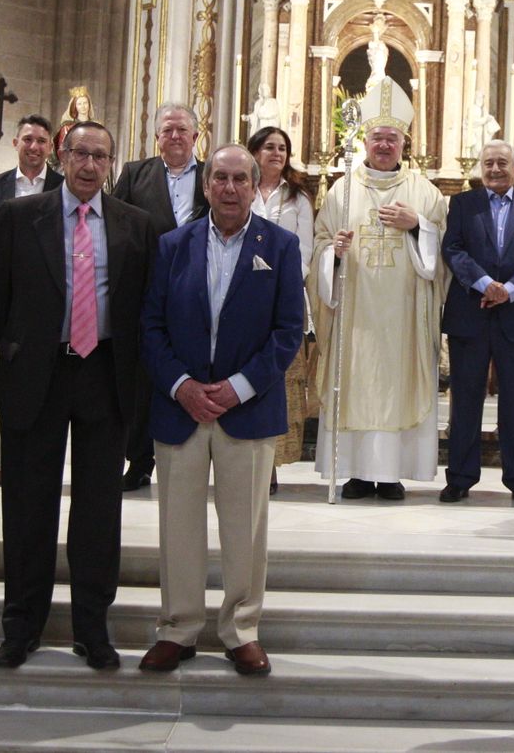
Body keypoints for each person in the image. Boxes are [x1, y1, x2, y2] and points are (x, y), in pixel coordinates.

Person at [0, 120, 154, 672]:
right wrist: (15, 347)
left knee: (99, 511)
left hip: (104, 374)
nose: (88, 165)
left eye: (100, 157)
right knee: (29, 503)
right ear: (62, 155)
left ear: (111, 164)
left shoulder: (135, 225)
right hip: (39, 373)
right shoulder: (16, 216)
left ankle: (92, 629)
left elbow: (143, 305)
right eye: (80, 153)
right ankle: (21, 626)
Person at [138, 145, 304, 677]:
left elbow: (287, 332)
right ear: (205, 185)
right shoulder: (172, 245)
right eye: (219, 178)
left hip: (246, 410)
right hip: (180, 407)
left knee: (245, 529)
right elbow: (151, 326)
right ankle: (178, 627)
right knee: (177, 525)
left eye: (240, 179)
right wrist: (183, 385)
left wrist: (237, 388)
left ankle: (241, 629)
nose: (229, 188)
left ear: (256, 186)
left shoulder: (280, 245)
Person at [312, 112, 447, 500]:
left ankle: (391, 473)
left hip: (404, 316)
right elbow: (321, 242)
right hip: (355, 315)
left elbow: (441, 254)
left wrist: (419, 223)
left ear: (405, 144)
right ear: (365, 143)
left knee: (396, 383)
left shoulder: (424, 192)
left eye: (392, 138)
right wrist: (332, 253)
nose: (385, 145)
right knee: (355, 380)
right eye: (377, 138)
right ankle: (355, 471)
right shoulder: (342, 191)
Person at [439, 141, 514, 506]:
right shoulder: (462, 204)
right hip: (470, 315)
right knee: (465, 401)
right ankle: (459, 477)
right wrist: (486, 284)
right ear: (480, 168)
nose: (495, 169)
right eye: (488, 163)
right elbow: (452, 249)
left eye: (502, 162)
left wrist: (511, 290)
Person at [112, 102, 208, 491]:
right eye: (167, 130)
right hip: (146, 290)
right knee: (142, 379)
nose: (174, 136)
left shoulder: (212, 175)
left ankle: (196, 457)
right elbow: (115, 224)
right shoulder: (136, 174)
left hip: (199, 292)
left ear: (196, 137)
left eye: (182, 130)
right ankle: (138, 460)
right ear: (157, 136)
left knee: (196, 373)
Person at [0, 114, 63, 491]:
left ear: (50, 148)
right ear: (16, 143)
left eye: (42, 141)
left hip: (53, 301)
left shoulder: (62, 184)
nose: (35, 146)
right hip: (7, 300)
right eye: (28, 139)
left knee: (52, 384)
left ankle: (41, 462)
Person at [248, 125, 315, 490]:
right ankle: (249, 457)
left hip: (285, 295)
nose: (277, 154)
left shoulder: (297, 198)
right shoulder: (242, 187)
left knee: (280, 382)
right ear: (255, 151)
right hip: (243, 296)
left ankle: (272, 460)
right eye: (270, 147)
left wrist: (281, 280)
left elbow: (305, 248)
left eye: (283, 149)